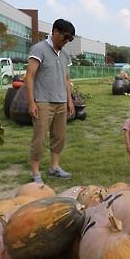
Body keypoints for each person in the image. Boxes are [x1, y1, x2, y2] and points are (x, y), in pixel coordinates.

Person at [25, 18, 75, 183]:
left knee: (59, 136)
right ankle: (35, 173)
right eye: (64, 37)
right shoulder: (39, 49)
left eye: (69, 39)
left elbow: (66, 79)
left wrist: (69, 100)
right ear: (55, 32)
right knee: (39, 138)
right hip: (43, 101)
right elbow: (29, 76)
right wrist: (32, 102)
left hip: (61, 101)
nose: (66, 41)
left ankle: (54, 167)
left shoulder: (65, 54)